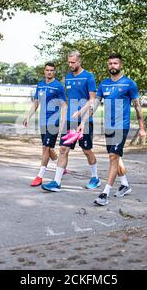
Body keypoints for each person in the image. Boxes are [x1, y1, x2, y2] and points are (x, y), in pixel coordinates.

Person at [79, 53, 146, 205]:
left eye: (115, 63)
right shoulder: (103, 84)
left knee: (113, 157)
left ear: (120, 65)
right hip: (108, 126)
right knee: (116, 156)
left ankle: (105, 193)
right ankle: (125, 185)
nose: (112, 66)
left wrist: (141, 127)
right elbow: (95, 104)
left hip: (121, 126)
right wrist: (83, 121)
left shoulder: (129, 83)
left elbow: (137, 106)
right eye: (110, 63)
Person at [41, 51, 100, 192]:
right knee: (63, 149)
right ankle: (56, 182)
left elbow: (92, 99)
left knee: (86, 150)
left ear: (79, 61)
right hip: (69, 120)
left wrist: (81, 114)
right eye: (69, 62)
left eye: (73, 62)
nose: (70, 65)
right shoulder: (67, 77)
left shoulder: (89, 77)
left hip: (85, 120)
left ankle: (95, 177)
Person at [23, 62, 67, 187]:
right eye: (47, 70)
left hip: (54, 121)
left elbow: (64, 105)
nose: (49, 72)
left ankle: (40, 176)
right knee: (48, 147)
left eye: (51, 70)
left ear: (54, 72)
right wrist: (28, 116)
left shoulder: (58, 86)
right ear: (44, 71)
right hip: (43, 122)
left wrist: (63, 123)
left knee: (45, 148)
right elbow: (36, 103)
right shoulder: (40, 85)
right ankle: (61, 164)